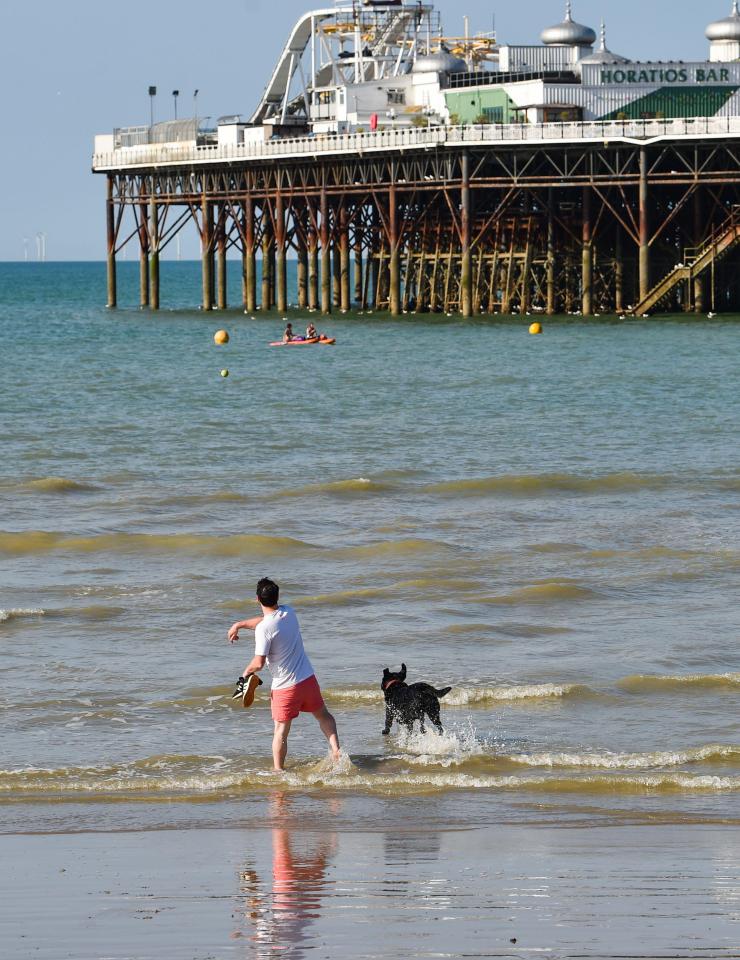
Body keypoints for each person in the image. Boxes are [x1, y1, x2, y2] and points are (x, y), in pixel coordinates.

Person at [228, 578, 341, 771]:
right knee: (324, 716)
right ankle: (337, 751)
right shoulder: (289, 612)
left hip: (285, 687)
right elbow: (266, 621)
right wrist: (239, 624)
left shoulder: (264, 629)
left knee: (280, 732)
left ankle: (279, 772)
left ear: (257, 599)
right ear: (277, 597)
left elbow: (259, 663)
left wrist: (245, 674)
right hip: (308, 680)